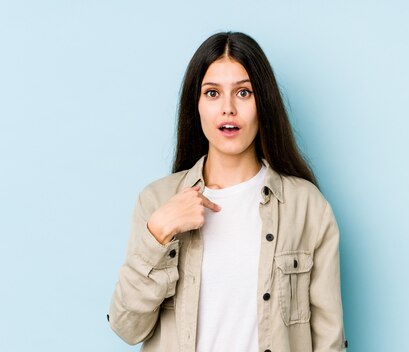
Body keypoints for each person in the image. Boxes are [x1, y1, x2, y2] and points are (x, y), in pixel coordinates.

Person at [108, 31, 347, 352]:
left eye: (244, 92)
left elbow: (329, 340)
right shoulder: (155, 201)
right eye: (212, 93)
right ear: (196, 105)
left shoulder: (307, 207)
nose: (228, 108)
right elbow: (127, 327)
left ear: (264, 102)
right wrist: (158, 233)